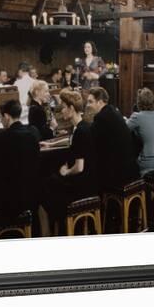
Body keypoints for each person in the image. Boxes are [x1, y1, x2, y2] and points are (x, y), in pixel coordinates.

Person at [0, 99, 41, 236]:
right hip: (32, 197)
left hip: (9, 202)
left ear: (6, 116)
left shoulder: (1, 139)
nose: (0, 121)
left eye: (1, 117)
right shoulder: (33, 136)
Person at [39, 90, 98, 235]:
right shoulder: (82, 126)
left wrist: (65, 172)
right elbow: (71, 140)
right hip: (89, 182)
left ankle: (51, 233)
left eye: (64, 107)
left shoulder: (81, 131)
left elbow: (79, 167)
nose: (61, 110)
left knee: (41, 189)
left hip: (82, 187)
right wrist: (52, 144)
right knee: (49, 182)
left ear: (71, 108)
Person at [87, 87, 139, 189]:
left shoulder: (101, 117)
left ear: (100, 102)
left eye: (90, 102)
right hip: (130, 167)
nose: (88, 105)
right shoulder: (114, 111)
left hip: (119, 173)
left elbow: (91, 141)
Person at [125, 88, 154, 176]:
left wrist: (124, 119)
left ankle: (136, 188)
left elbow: (123, 129)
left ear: (139, 102)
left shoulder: (137, 117)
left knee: (127, 165)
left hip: (149, 162)